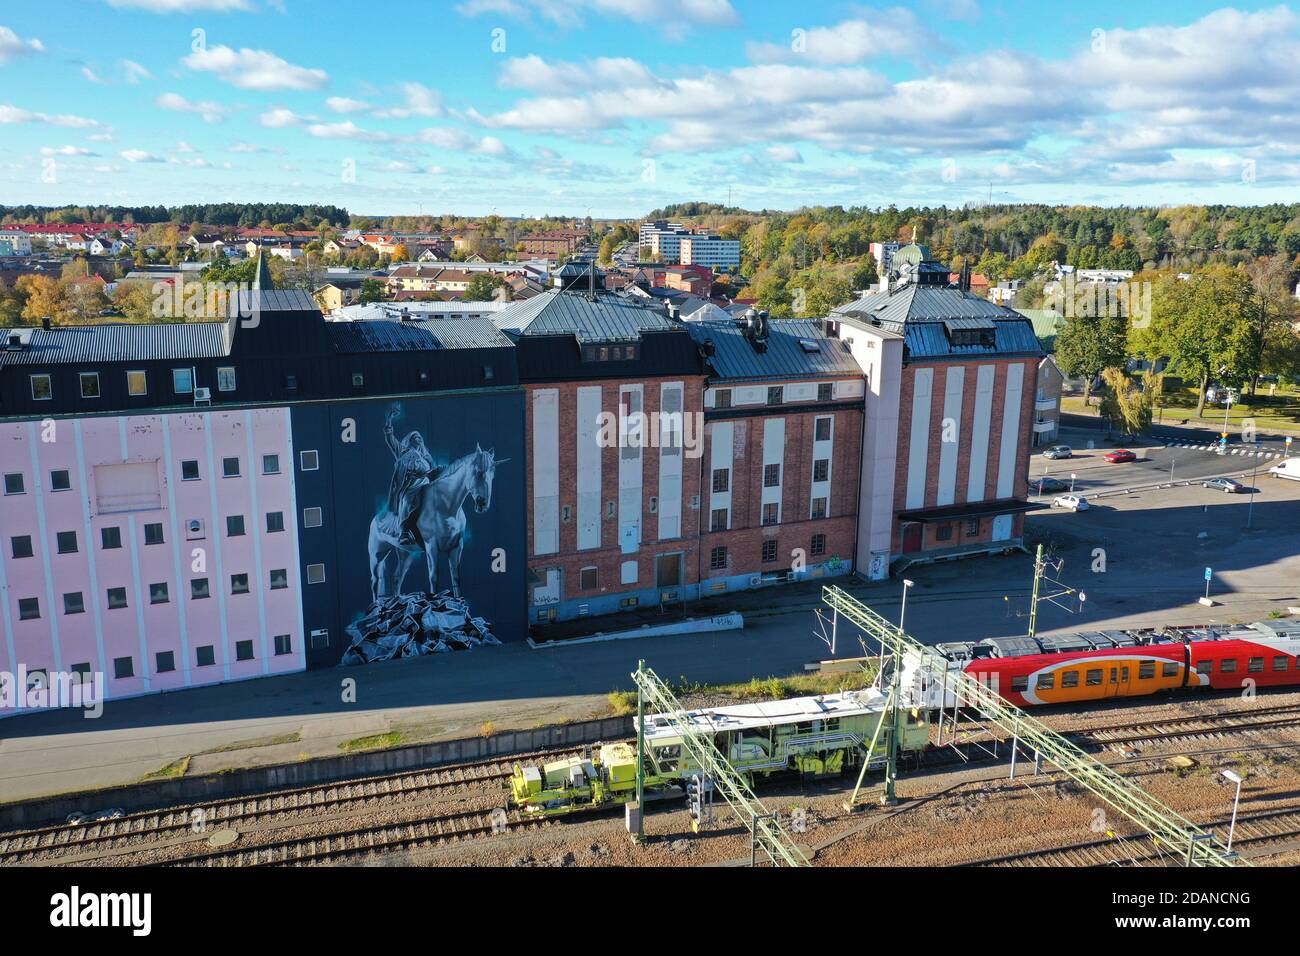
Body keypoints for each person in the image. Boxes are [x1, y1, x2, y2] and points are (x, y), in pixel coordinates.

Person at [384, 407, 441, 547]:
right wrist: (389, 418)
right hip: (412, 485)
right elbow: (390, 438)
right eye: (415, 437)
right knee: (407, 500)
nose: (419, 438)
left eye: (420, 437)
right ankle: (403, 531)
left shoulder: (427, 457)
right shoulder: (403, 451)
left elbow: (433, 471)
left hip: (427, 483)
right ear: (410, 440)